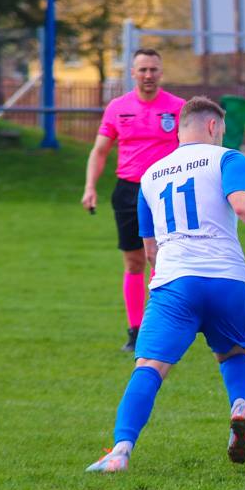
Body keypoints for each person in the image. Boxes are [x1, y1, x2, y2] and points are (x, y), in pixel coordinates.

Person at [86, 96, 245, 472]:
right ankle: (239, 406)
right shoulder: (227, 158)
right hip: (227, 279)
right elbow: (243, 205)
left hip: (174, 280)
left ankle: (119, 451)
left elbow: (150, 250)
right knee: (231, 354)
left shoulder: (150, 175)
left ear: (180, 128)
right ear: (213, 126)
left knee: (149, 366)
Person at [81, 48, 186, 352]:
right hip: (128, 191)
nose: (148, 75)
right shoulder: (117, 107)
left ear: (161, 72)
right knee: (134, 260)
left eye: (154, 69)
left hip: (167, 190)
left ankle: (162, 326)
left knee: (164, 258)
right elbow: (99, 151)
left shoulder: (178, 108)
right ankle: (135, 329)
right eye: (142, 70)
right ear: (133, 74)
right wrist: (90, 187)